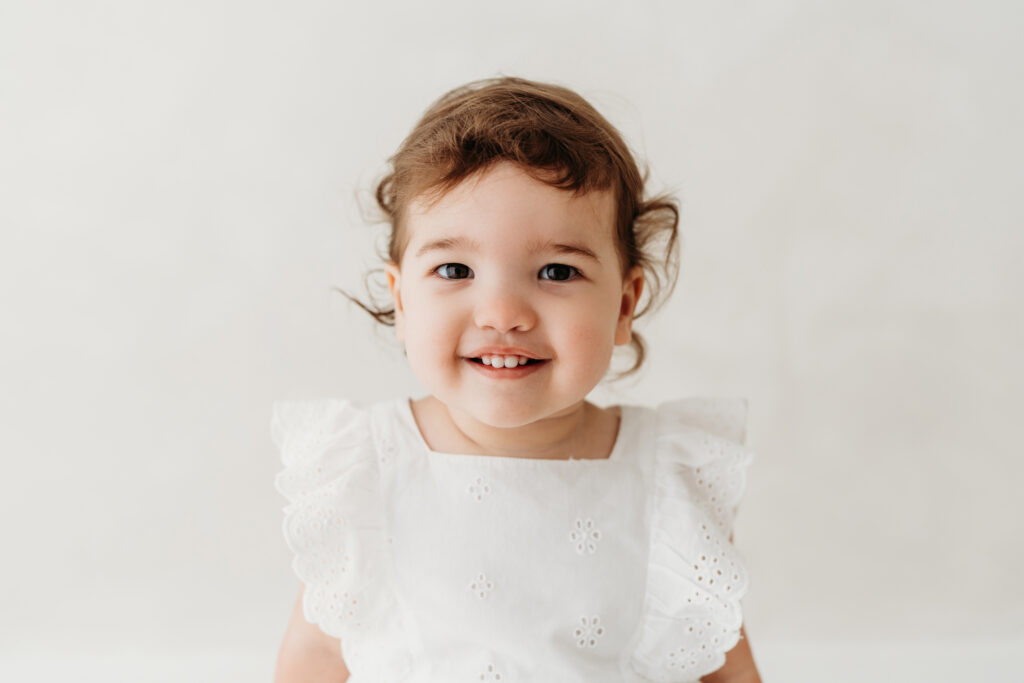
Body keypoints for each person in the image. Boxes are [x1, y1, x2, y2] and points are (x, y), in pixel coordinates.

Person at [271, 76, 762, 683]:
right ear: (401, 301)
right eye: (455, 269)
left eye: (556, 271)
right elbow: (316, 660)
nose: (503, 313)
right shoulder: (364, 472)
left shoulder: (668, 479)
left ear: (624, 306)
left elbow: (723, 669)